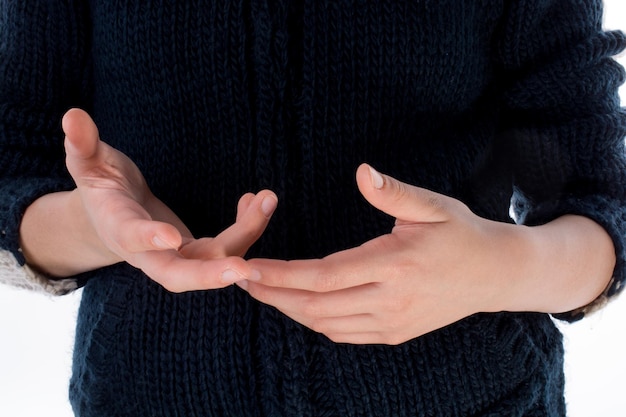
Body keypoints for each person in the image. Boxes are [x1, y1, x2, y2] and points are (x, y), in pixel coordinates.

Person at [1, 0, 625, 415]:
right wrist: (102, 228)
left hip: (473, 397)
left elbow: (600, 199)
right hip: (145, 394)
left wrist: (495, 269)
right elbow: (14, 170)